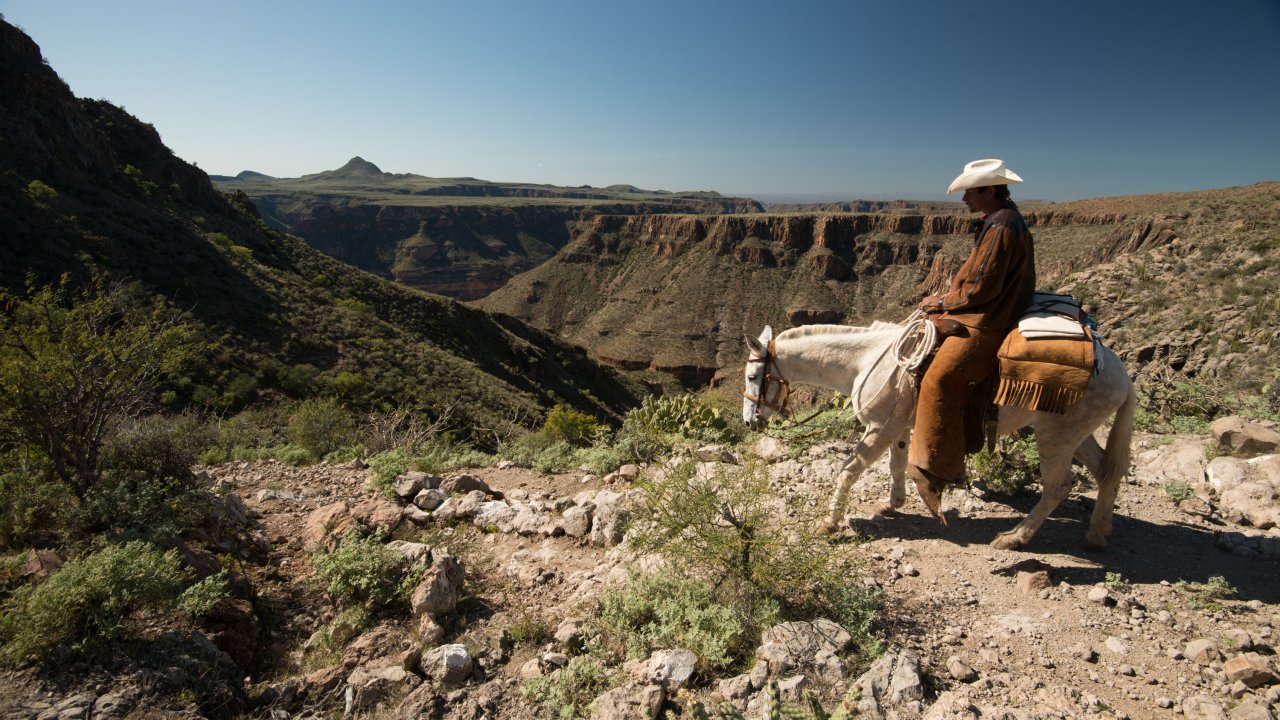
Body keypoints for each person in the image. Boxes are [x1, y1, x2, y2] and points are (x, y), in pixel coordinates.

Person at [910, 159, 1036, 521]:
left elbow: (982, 287)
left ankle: (939, 470)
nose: (964, 198)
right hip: (983, 311)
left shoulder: (1002, 227)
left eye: (970, 190)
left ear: (990, 190)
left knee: (939, 379)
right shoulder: (1001, 220)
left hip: (988, 321)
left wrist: (941, 302)